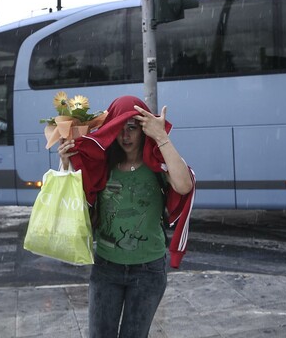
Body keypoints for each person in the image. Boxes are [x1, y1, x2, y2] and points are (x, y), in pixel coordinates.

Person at [58, 95, 195, 338]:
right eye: (119, 129)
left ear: (143, 130)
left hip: (148, 271)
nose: (125, 136)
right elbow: (78, 208)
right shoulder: (101, 166)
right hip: (106, 269)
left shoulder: (157, 164)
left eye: (132, 128)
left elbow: (184, 186)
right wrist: (67, 164)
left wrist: (161, 136)